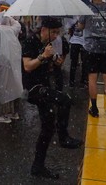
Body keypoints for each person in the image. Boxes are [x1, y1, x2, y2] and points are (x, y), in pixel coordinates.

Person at [22, 17, 83, 179]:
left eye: (58, 32)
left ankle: (38, 166)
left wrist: (56, 59)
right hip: (35, 89)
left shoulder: (52, 43)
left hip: (47, 86)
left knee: (47, 128)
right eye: (53, 32)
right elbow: (27, 66)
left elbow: (57, 64)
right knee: (65, 100)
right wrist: (43, 56)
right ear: (43, 30)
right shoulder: (31, 42)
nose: (56, 35)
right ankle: (63, 137)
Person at [79, 0, 106, 118]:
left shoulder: (86, 9)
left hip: (90, 48)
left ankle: (94, 109)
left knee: (92, 79)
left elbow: (80, 26)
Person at [0, 14, 23, 123]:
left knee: (4, 88)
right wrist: (10, 18)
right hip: (14, 64)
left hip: (2, 65)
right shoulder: (12, 30)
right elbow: (18, 25)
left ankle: (5, 115)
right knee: (15, 86)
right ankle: (14, 113)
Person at [66, 17, 88, 87]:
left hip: (77, 42)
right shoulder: (86, 16)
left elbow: (69, 30)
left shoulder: (73, 17)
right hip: (81, 42)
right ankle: (83, 81)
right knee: (83, 62)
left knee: (74, 62)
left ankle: (72, 82)